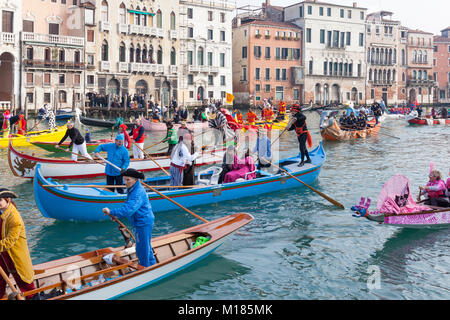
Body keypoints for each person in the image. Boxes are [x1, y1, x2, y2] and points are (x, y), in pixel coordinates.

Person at [102, 169, 156, 268]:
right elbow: (129, 208)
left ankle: (144, 268)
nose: (125, 183)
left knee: (142, 248)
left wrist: (112, 212)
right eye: (124, 180)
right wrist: (116, 216)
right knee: (145, 246)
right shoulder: (133, 188)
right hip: (140, 221)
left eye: (128, 180)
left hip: (143, 222)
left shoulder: (137, 192)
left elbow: (128, 209)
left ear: (135, 180)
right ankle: (152, 264)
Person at [0, 188, 35, 299]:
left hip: (15, 256)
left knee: (26, 284)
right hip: (3, 256)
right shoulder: (3, 213)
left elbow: (9, 242)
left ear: (8, 200)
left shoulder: (15, 218)